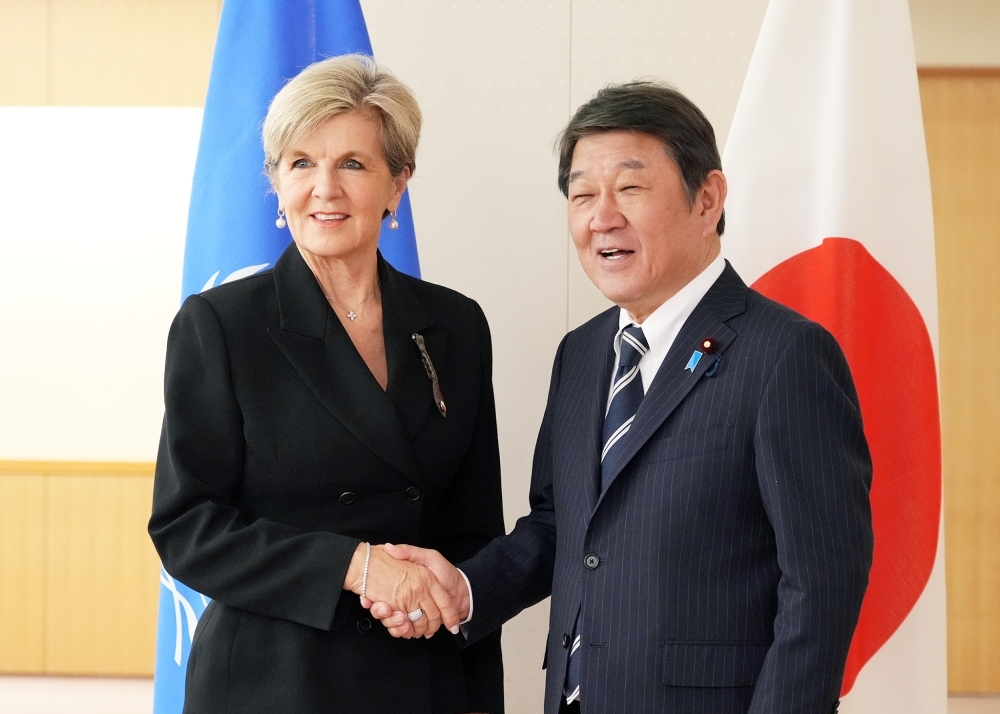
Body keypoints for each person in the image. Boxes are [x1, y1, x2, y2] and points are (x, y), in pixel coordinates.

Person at [369, 81, 874, 714]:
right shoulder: (581, 354)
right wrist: (468, 590)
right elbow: (563, 526)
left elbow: (822, 588)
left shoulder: (786, 356)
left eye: (631, 188)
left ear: (708, 198)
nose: (601, 217)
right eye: (582, 195)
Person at [148, 54, 505, 714]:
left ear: (398, 182)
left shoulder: (456, 323)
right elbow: (188, 528)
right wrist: (358, 566)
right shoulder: (222, 325)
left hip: (423, 671)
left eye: (353, 164)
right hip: (277, 679)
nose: (325, 188)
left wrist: (446, 592)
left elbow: (476, 523)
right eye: (301, 163)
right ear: (277, 185)